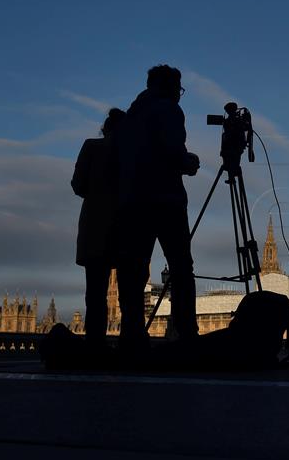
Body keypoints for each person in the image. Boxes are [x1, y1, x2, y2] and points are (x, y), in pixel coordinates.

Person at [116, 65, 200, 353]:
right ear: (170, 87)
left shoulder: (131, 116)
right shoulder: (168, 110)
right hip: (165, 199)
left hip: (131, 201)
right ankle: (188, 334)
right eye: (179, 88)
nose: (180, 94)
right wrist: (190, 162)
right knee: (181, 267)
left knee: (134, 269)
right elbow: (172, 151)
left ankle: (131, 335)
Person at [71, 108, 124, 349]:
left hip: (95, 224)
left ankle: (95, 344)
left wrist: (96, 195)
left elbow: (77, 185)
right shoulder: (131, 153)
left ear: (105, 129)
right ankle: (131, 345)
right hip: (127, 225)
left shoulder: (91, 146)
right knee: (130, 293)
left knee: (95, 293)